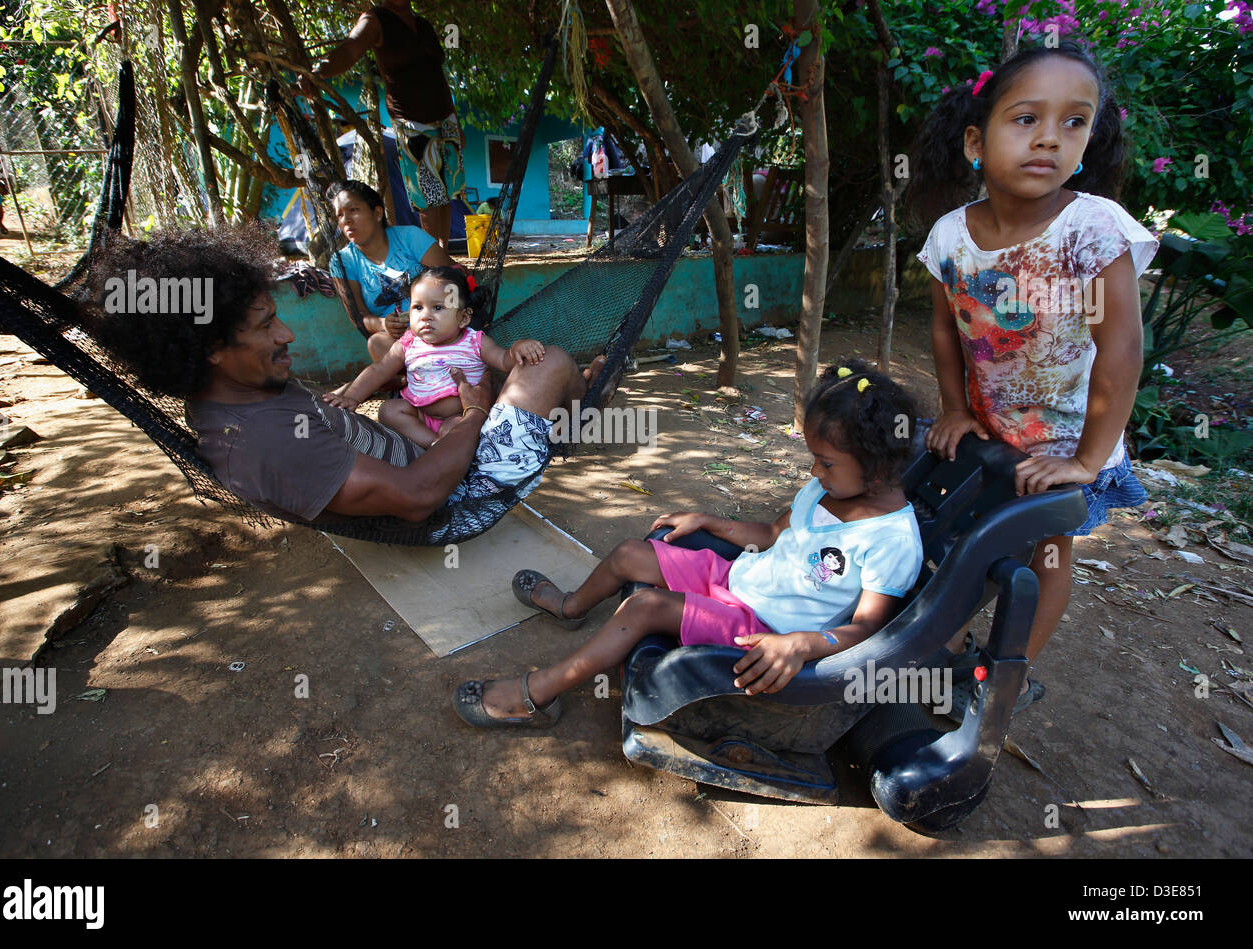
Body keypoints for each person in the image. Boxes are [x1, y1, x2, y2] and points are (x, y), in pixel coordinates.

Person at [453, 361, 924, 728]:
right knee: (627, 554)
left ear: (878, 466)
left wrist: (802, 643)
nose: (814, 473)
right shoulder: (827, 489)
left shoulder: (891, 540)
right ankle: (573, 608)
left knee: (644, 609)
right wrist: (709, 520)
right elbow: (772, 534)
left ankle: (536, 695)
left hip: (761, 626)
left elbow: (866, 633)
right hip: (737, 578)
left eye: (825, 463)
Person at [907, 41, 1158, 719]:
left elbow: (1122, 348)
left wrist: (1085, 459)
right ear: (974, 142)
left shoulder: (1092, 229)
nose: (1050, 137)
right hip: (992, 431)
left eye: (1075, 122)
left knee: (1045, 557)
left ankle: (1001, 678)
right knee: (961, 541)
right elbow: (946, 330)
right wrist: (956, 409)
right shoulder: (950, 237)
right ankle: (940, 647)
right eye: (1026, 119)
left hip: (1066, 444)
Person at [83, 227, 605, 535]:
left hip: (420, 449)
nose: (286, 333)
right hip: (458, 493)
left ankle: (574, 407)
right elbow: (420, 497)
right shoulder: (264, 440)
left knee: (528, 377)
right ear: (212, 350)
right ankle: (580, 409)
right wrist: (473, 412)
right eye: (266, 324)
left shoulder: (230, 396)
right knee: (552, 363)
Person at [302, 1, 465, 246]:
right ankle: (433, 264)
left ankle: (443, 255)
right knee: (428, 197)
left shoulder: (423, 25)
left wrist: (455, 120)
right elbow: (350, 48)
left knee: (445, 195)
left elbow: (437, 74)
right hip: (413, 122)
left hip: (445, 119)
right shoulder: (376, 20)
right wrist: (319, 71)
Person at [325, 266, 545, 447]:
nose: (425, 316)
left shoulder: (474, 341)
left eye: (438, 308)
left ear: (463, 317)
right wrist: (352, 396)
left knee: (457, 429)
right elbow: (379, 369)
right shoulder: (408, 343)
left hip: (461, 417)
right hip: (420, 416)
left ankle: (442, 448)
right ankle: (434, 444)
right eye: (418, 307)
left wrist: (517, 348)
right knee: (389, 410)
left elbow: (503, 360)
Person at [325, 179, 456, 363]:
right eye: (339, 215)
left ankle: (415, 377)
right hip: (400, 342)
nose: (346, 220)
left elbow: (453, 277)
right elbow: (358, 315)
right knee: (376, 343)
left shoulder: (410, 237)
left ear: (377, 213)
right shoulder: (343, 262)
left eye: (353, 210)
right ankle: (415, 377)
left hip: (438, 325)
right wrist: (384, 324)